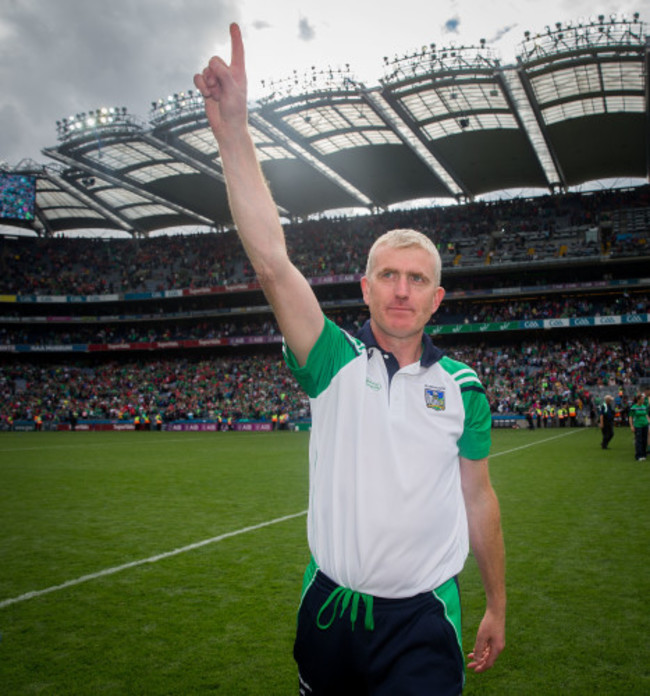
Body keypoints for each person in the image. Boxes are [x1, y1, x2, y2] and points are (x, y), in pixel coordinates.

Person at [194, 24, 506, 694]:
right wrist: (234, 133)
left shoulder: (463, 388)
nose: (401, 289)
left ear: (436, 298)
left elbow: (479, 500)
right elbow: (273, 264)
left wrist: (497, 605)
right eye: (388, 275)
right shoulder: (332, 361)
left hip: (422, 620)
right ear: (364, 288)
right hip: (328, 612)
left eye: (417, 278)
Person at [628, 393, 649, 461]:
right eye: (642, 399)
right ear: (638, 400)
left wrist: (648, 421)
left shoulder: (644, 406)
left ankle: (643, 454)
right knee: (639, 440)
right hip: (638, 425)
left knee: (644, 440)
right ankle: (638, 455)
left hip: (645, 425)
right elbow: (630, 417)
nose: (643, 401)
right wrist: (631, 426)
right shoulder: (634, 407)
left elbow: (646, 415)